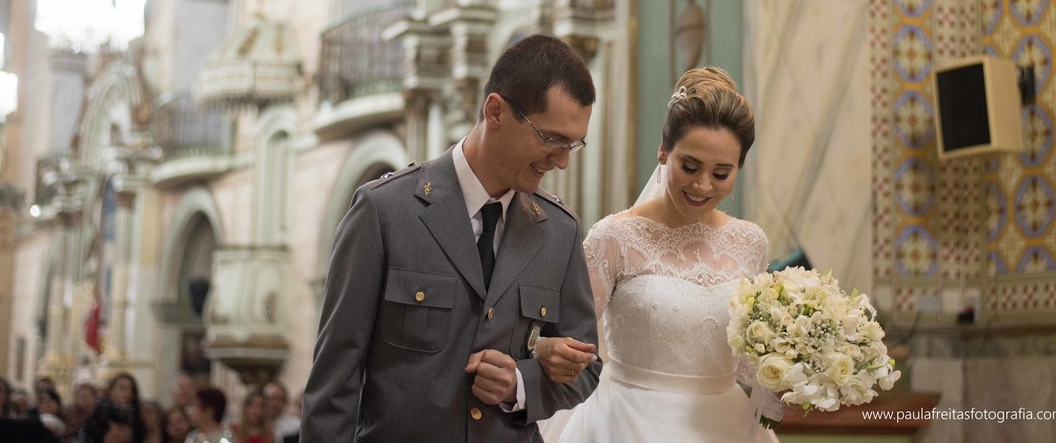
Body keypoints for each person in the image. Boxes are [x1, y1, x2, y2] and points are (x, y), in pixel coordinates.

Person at [301, 34, 603, 442]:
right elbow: (333, 386)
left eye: (573, 144)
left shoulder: (559, 232)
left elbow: (586, 368)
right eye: (551, 139)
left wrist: (519, 383)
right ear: (495, 111)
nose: (563, 161)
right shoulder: (385, 212)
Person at [536, 67, 781, 442]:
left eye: (721, 173)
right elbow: (566, 338)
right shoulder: (614, 237)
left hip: (725, 425)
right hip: (625, 422)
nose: (702, 185)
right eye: (690, 166)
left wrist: (797, 363)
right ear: (664, 150)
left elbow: (746, 360)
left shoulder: (750, 242)